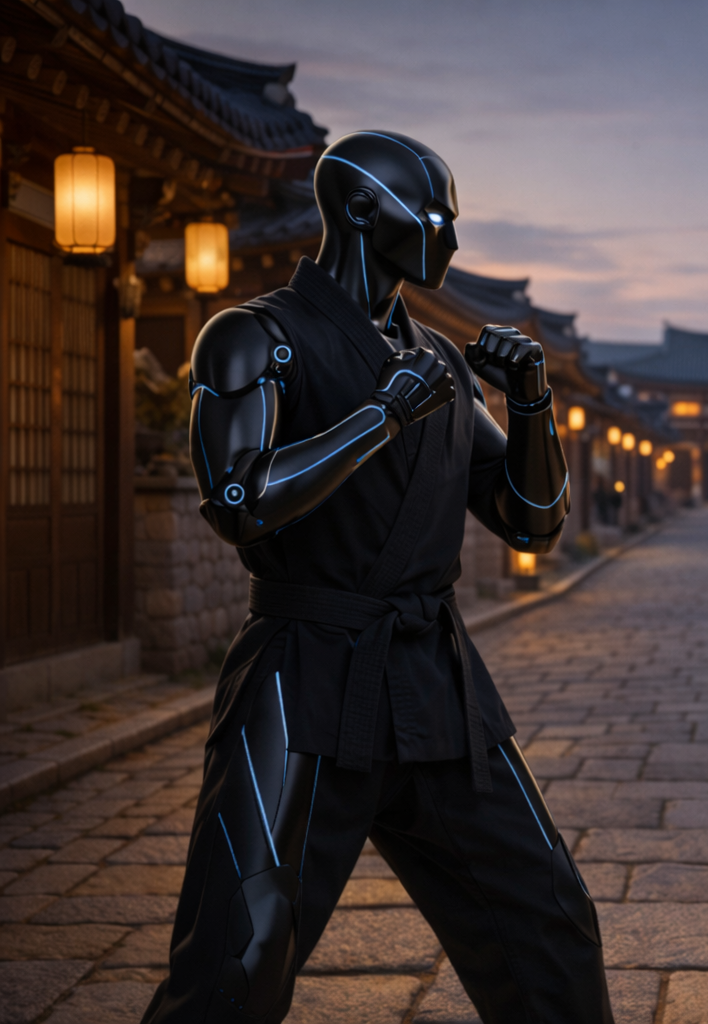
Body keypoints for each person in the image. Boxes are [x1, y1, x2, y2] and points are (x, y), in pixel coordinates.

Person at [140, 131, 613, 1024]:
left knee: (549, 919)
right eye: (434, 215)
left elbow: (530, 521)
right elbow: (240, 500)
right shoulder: (254, 337)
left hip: (435, 679)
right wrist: (377, 417)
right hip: (303, 672)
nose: (451, 238)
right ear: (360, 210)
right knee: (243, 951)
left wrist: (534, 403)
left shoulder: (437, 359)